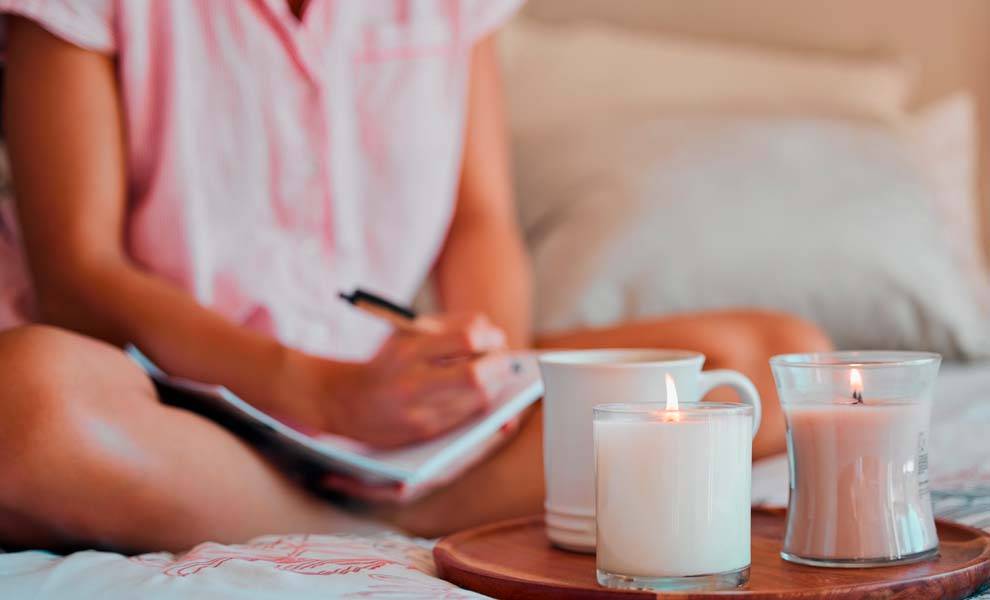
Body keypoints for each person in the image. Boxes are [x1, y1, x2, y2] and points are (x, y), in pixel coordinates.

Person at [0, 0, 831, 552]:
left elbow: (479, 221)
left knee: (775, 358)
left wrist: (485, 379)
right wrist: (320, 395)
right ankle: (351, 520)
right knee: (26, 407)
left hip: (384, 398)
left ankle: (388, 503)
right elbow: (80, 274)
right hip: (168, 396)